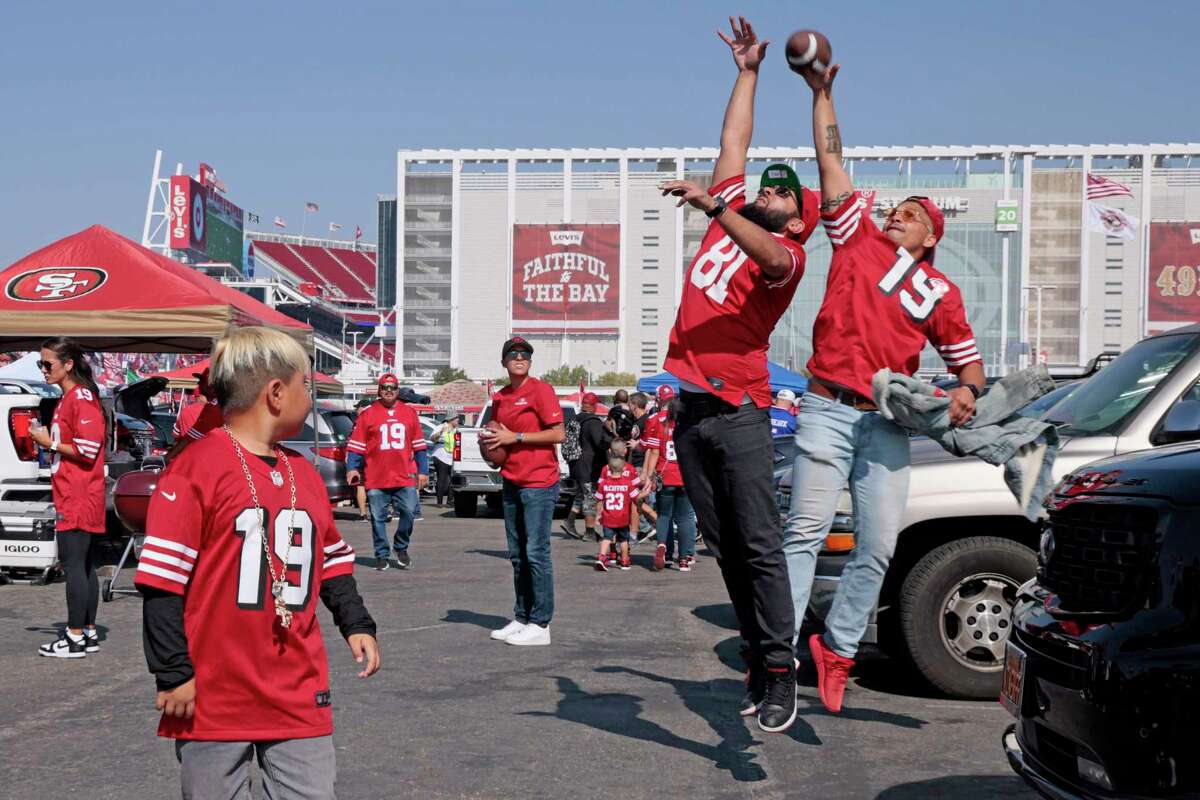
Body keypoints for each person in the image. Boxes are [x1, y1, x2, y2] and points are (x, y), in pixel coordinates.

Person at [784, 59, 986, 715]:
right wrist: (822, 94)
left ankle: (837, 650)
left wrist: (969, 391)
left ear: (931, 237)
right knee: (806, 532)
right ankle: (776, 654)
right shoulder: (856, 239)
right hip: (825, 408)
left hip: (887, 423)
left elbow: (968, 363)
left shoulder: (939, 292)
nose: (895, 215)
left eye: (910, 214)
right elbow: (830, 158)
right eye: (894, 209)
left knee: (876, 546)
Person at [134, 327, 380, 799]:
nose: (310, 395)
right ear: (275, 392)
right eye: (306, 385)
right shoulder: (194, 467)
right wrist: (173, 672)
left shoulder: (303, 473)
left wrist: (356, 622)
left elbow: (330, 560)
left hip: (296, 687)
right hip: (213, 691)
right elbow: (162, 582)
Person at [659, 16, 819, 734]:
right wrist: (747, 72)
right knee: (723, 546)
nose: (771, 189)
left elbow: (768, 250)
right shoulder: (737, 209)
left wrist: (718, 204)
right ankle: (757, 656)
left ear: (797, 220)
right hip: (691, 412)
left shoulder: (785, 257)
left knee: (759, 544)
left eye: (784, 194)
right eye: (768, 187)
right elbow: (735, 141)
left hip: (741, 409)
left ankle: (782, 668)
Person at [483, 337, 565, 646]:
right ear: (504, 362)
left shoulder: (541, 390)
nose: (520, 358)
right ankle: (522, 616)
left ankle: (541, 624)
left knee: (536, 553)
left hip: (539, 482)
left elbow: (558, 433)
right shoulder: (500, 397)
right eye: (513, 355)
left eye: (525, 355)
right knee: (517, 556)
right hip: (512, 479)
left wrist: (515, 436)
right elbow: (497, 439)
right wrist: (491, 449)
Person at [32, 337, 106, 658]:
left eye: (48, 364)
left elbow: (88, 450)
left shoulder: (81, 398)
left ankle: (75, 636)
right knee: (84, 565)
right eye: (40, 364)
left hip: (78, 492)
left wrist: (48, 442)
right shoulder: (70, 397)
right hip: (74, 490)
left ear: (68, 364)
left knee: (74, 564)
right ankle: (86, 631)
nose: (43, 370)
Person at [346, 374, 429, 571]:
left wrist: (423, 471)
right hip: (377, 475)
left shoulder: (409, 413)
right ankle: (382, 553)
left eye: (392, 387)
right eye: (385, 387)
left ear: (398, 390)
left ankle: (401, 547)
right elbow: (356, 447)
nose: (389, 390)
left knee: (409, 512)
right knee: (378, 517)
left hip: (405, 474)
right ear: (379, 390)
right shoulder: (367, 415)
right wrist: (352, 468)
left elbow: (419, 447)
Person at [642, 396, 698, 573]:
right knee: (685, 517)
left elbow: (654, 452)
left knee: (664, 515)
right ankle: (684, 558)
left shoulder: (661, 425)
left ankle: (663, 548)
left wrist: (649, 476)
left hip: (665, 475)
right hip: (685, 477)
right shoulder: (690, 428)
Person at [561, 392, 612, 541]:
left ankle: (569, 521)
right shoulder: (593, 422)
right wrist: (609, 433)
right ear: (595, 406)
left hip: (576, 464)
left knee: (581, 494)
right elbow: (600, 443)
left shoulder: (575, 418)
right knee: (590, 497)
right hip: (589, 466)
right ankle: (590, 531)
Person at [592, 440, 642, 572]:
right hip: (624, 513)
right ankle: (625, 559)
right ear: (625, 451)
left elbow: (599, 496)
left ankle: (608, 554)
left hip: (608, 514)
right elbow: (636, 488)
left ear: (610, 451)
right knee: (624, 539)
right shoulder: (630, 470)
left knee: (608, 537)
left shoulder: (605, 469)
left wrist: (598, 514)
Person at [167, 367, 222, 461]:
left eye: (201, 381)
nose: (199, 384)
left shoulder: (216, 405)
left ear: (209, 384)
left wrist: (167, 458)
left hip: (205, 458)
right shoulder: (217, 403)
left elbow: (190, 436)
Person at [627, 392, 657, 541]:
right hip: (635, 465)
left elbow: (650, 448)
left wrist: (645, 471)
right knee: (637, 499)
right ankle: (646, 528)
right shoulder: (636, 421)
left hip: (641, 466)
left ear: (634, 405)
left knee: (636, 498)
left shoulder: (646, 421)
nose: (628, 406)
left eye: (629, 403)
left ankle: (651, 526)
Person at [430, 415, 459, 507]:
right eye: (456, 419)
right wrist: (441, 431)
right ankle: (439, 502)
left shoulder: (456, 429)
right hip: (440, 455)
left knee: (452, 479)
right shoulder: (441, 427)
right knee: (441, 478)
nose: (458, 421)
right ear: (450, 420)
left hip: (452, 456)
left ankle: (450, 501)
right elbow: (432, 438)